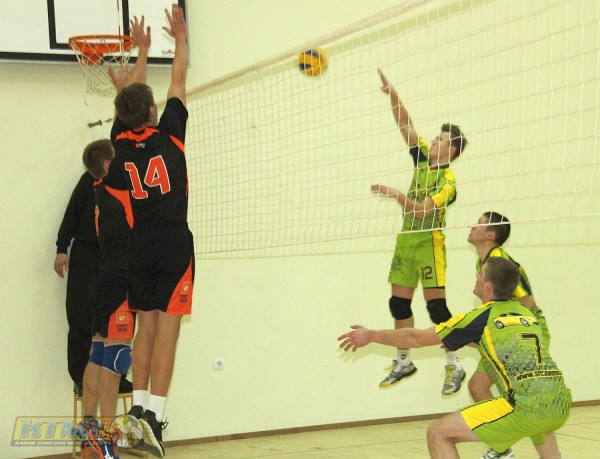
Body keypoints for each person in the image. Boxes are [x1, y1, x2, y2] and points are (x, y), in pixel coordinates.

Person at [338, 257, 571, 459]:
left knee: (438, 432)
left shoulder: (480, 317)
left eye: (479, 274)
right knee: (540, 425)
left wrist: (371, 335)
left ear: (487, 285)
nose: (476, 277)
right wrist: (458, 338)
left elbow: (414, 338)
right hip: (560, 403)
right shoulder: (525, 313)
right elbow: (495, 338)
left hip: (524, 408)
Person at [106, 5, 192, 458]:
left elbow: (134, 97)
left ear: (124, 116)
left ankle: (137, 410)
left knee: (145, 329)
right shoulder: (170, 132)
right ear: (155, 111)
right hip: (173, 242)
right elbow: (178, 75)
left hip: (137, 244)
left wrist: (140, 52)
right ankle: (154, 417)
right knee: (169, 330)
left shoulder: (119, 142)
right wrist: (179, 39)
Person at [371, 69, 468, 394]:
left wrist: (396, 195)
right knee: (398, 306)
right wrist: (393, 94)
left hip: (429, 244)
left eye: (441, 140)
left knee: (437, 309)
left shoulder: (448, 182)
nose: (435, 140)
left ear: (451, 151)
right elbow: (406, 125)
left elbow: (424, 210)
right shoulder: (423, 159)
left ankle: (454, 364)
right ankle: (404, 362)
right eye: (436, 138)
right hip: (406, 243)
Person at [468, 211, 559, 458]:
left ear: (490, 235)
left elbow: (527, 302)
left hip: (526, 329)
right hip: (508, 330)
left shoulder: (499, 261)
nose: (472, 226)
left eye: (479, 224)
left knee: (529, 399)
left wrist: (503, 332)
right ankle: (503, 449)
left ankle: (507, 449)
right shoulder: (484, 262)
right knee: (478, 386)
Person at [73, 139, 135, 459]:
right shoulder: (118, 190)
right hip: (118, 281)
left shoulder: (98, 188)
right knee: (117, 360)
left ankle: (89, 427)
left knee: (97, 355)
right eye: (117, 158)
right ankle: (107, 440)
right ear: (109, 166)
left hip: (101, 279)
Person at [54, 158, 133, 398]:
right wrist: (61, 248)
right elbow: (72, 213)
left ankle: (117, 377)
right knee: (80, 316)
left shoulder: (128, 180)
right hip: (86, 255)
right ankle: (80, 378)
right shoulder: (89, 179)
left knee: (115, 321)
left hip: (116, 258)